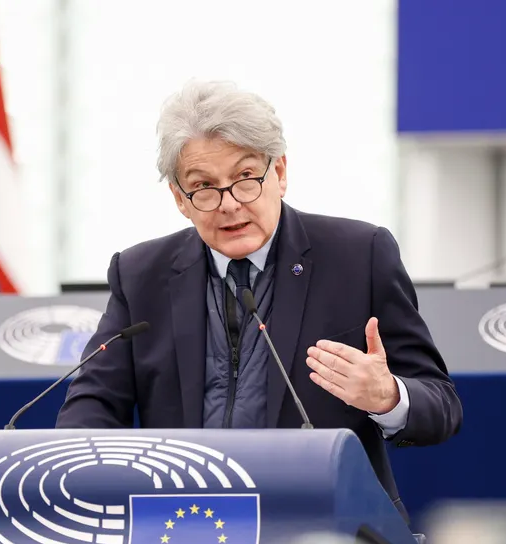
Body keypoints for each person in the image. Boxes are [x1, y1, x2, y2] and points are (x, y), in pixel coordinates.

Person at [55, 80, 462, 517]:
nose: (229, 204)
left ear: (280, 173)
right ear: (179, 198)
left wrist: (388, 396)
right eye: (204, 186)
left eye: (246, 178)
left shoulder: (359, 255)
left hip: (326, 524)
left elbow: (442, 406)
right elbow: (91, 405)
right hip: (187, 531)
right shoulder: (141, 274)